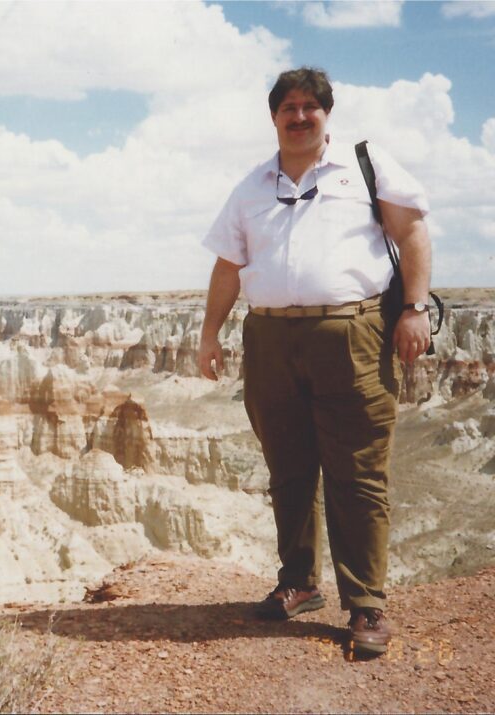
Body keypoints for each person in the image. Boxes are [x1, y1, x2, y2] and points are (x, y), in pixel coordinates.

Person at [198, 67, 432, 656]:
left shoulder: (365, 165)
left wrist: (414, 308)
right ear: (273, 116)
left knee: (357, 472)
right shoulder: (252, 186)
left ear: (327, 114)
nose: (299, 117)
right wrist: (209, 334)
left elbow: (412, 231)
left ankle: (366, 604)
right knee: (290, 469)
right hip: (271, 341)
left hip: (352, 336)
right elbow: (229, 267)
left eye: (310, 107)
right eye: (289, 108)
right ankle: (299, 582)